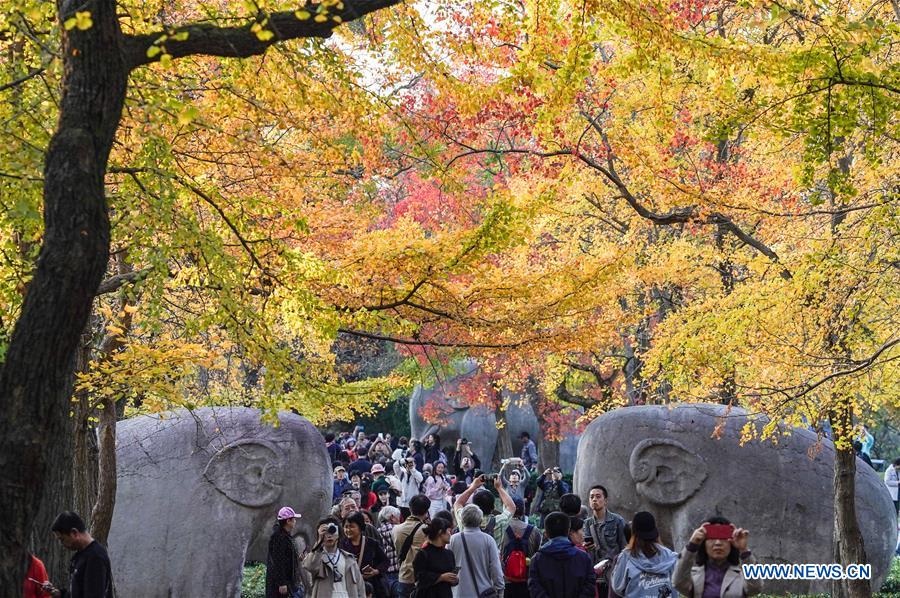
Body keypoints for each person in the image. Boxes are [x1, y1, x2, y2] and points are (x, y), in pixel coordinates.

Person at [674, 517, 762, 598]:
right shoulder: (694, 576)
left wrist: (744, 550)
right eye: (712, 537)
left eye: (723, 538)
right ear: (704, 543)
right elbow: (678, 583)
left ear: (731, 543)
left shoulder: (741, 576)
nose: (718, 543)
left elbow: (756, 587)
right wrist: (692, 545)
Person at [42, 511, 113, 598]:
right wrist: (60, 594)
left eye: (62, 539)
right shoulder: (79, 556)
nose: (62, 544)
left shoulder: (95, 557)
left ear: (74, 533)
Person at [527, 512, 596, 598]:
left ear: (546, 533)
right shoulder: (584, 557)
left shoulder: (537, 559)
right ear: (568, 531)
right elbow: (590, 586)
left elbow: (535, 588)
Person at [610, 512, 678, 598]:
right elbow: (676, 587)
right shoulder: (670, 557)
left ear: (633, 533)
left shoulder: (626, 557)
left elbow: (617, 587)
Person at [448, 504, 505, 598]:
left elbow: (449, 566)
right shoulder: (488, 540)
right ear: (480, 520)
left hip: (458, 592)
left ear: (462, 520)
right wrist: (500, 589)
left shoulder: (453, 540)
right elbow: (495, 568)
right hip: (483, 592)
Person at [304, 517, 366, 598]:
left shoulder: (349, 559)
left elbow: (360, 588)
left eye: (332, 530)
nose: (329, 535)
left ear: (339, 533)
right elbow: (310, 566)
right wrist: (319, 543)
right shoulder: (317, 557)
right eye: (325, 532)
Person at [584, 485, 626, 598]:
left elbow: (624, 548)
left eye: (598, 496)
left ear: (605, 500)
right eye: (591, 497)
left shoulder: (617, 521)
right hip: (594, 574)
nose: (594, 499)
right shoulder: (586, 524)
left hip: (613, 572)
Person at [453, 475, 516, 549]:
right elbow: (511, 507)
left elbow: (458, 503)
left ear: (473, 505)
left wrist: (473, 487)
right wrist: (499, 488)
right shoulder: (499, 522)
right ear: (493, 508)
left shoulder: (465, 519)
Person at [341, 511, 390, 598]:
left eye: (352, 526)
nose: (348, 530)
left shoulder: (372, 543)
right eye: (346, 527)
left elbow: (385, 561)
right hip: (348, 588)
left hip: (370, 588)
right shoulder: (341, 545)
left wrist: (376, 571)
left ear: (360, 527)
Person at [501, 497, 539, 598]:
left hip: (506, 581)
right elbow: (538, 555)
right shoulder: (534, 531)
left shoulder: (501, 528)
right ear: (523, 510)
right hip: (527, 580)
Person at [393, 494, 431, 598]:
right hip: (421, 578)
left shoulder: (396, 529)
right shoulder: (427, 530)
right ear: (427, 510)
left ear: (410, 508)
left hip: (404, 576)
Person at [412, 516, 459, 598]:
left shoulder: (449, 553)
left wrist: (454, 579)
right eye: (448, 531)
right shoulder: (423, 554)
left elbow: (451, 577)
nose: (450, 534)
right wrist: (441, 577)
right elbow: (419, 578)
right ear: (440, 532)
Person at [266, 506, 304, 598]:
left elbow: (285, 556)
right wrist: (282, 583)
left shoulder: (286, 535)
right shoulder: (279, 537)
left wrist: (296, 558)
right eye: (294, 519)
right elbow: (277, 561)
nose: (295, 521)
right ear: (288, 521)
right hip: (278, 585)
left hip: (288, 581)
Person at [377, 507, 402, 597]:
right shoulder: (398, 530)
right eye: (398, 517)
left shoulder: (377, 532)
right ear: (392, 517)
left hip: (383, 574)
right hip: (398, 573)